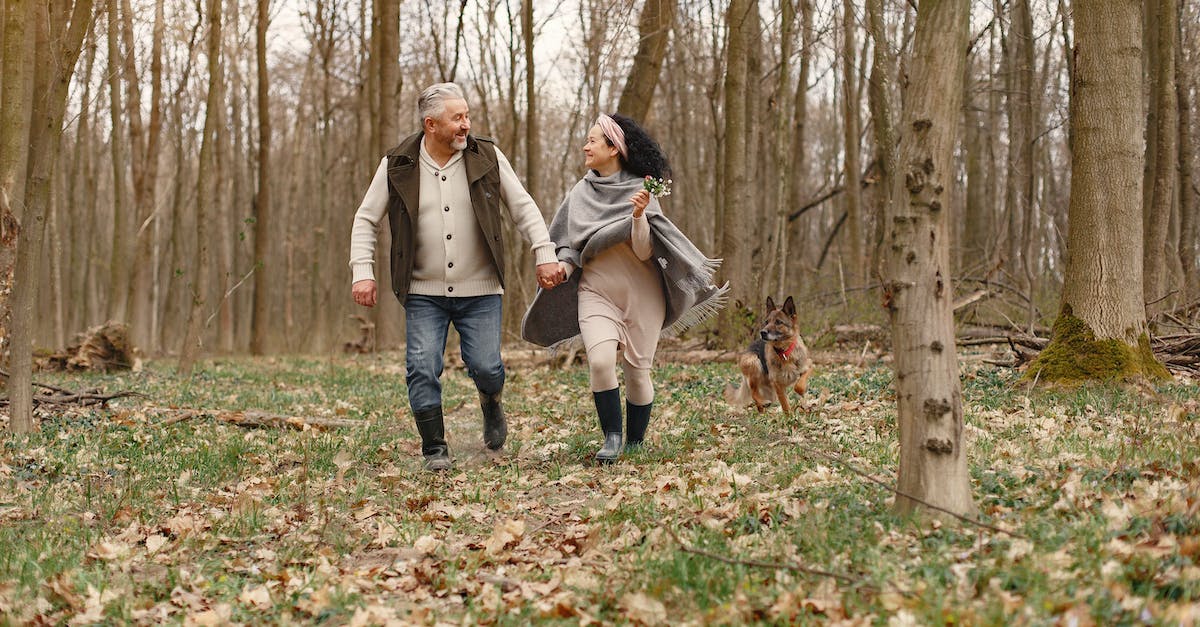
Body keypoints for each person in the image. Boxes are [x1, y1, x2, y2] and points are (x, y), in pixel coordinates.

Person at [349, 82, 564, 471]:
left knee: (487, 366)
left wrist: (544, 252)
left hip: (480, 289)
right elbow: (366, 219)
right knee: (421, 366)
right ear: (430, 125)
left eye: (467, 116)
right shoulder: (398, 162)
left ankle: (491, 402)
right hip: (422, 290)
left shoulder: (486, 156)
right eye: (457, 118)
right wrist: (362, 272)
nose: (466, 125)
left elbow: (523, 207)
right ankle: (435, 448)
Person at [522, 113, 727, 463]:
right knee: (601, 362)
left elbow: (646, 251)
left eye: (592, 141)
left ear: (614, 148)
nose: (585, 147)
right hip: (596, 293)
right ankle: (612, 438)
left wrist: (638, 217)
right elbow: (571, 247)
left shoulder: (642, 190)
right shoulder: (580, 193)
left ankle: (634, 442)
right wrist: (561, 269)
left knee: (637, 373)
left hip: (643, 297)